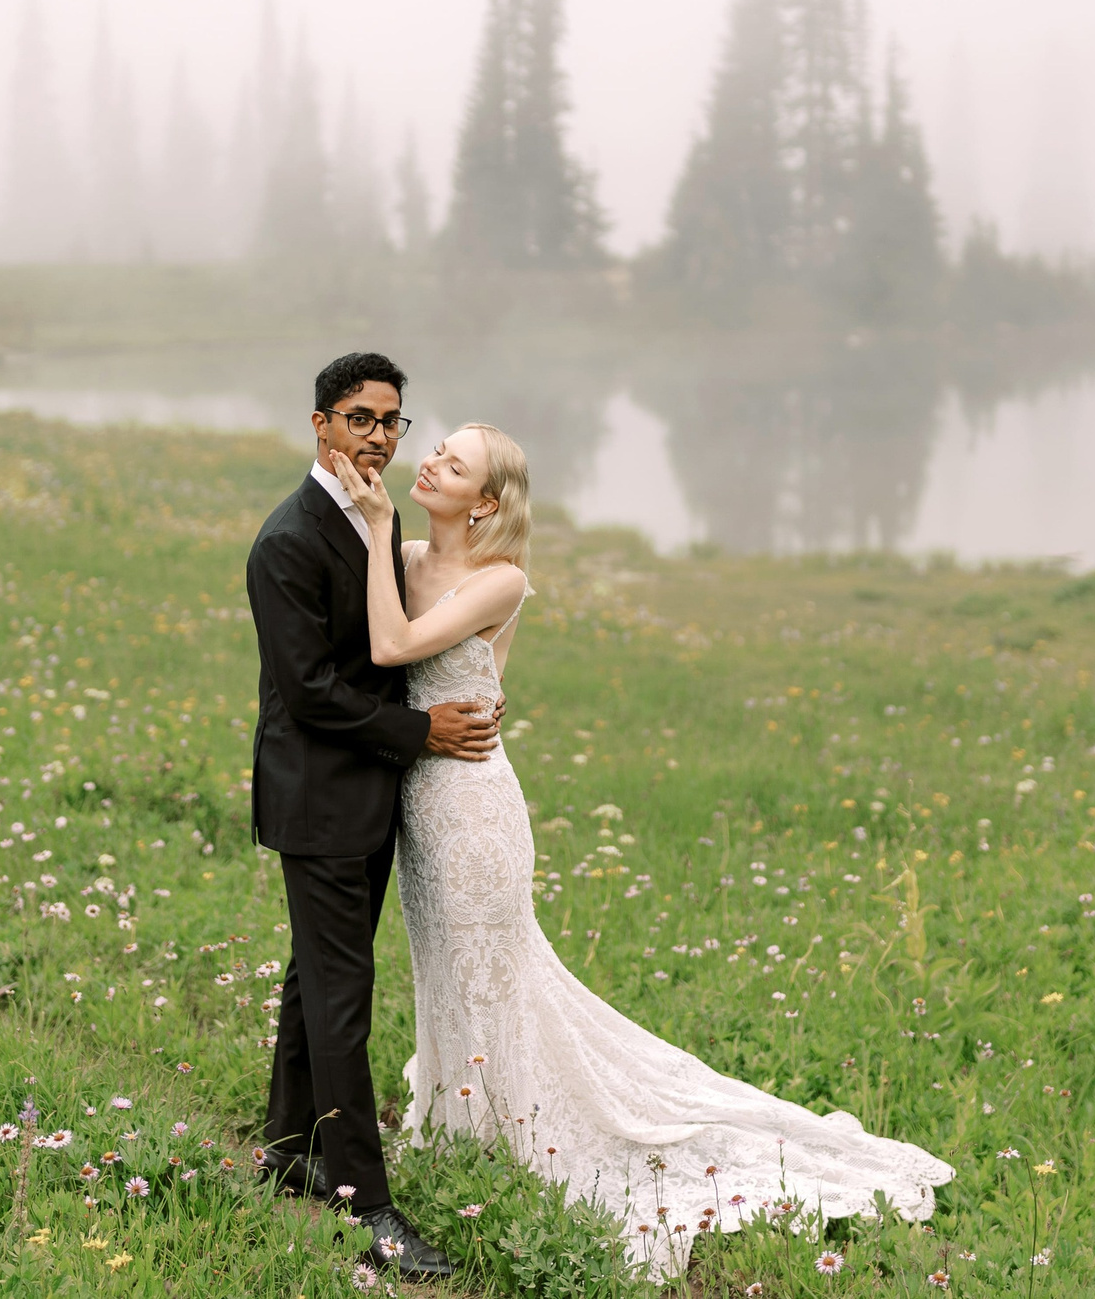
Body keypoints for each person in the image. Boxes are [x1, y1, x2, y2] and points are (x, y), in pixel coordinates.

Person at [330, 421, 954, 1278]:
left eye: (454, 461)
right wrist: (371, 536)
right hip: (419, 805)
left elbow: (393, 645)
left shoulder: (499, 576)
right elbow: (375, 641)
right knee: (442, 966)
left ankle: (517, 1132)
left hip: (474, 806)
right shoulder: (400, 555)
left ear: (485, 502)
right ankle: (463, 1121)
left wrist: (368, 529)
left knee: (494, 968)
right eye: (433, 448)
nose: (429, 460)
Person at [245, 351, 499, 1280]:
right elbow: (309, 694)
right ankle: (368, 1204)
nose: (381, 437)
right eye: (361, 418)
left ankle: (287, 1150)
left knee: (318, 977)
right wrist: (420, 729)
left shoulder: (370, 518)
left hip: (368, 794)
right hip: (318, 799)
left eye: (392, 421)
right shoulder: (287, 540)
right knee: (344, 997)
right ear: (320, 423)